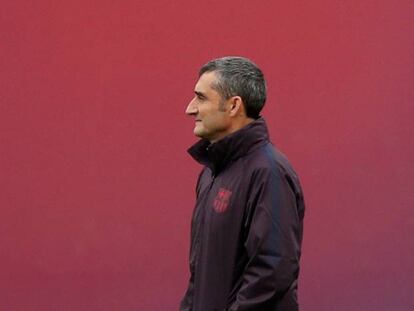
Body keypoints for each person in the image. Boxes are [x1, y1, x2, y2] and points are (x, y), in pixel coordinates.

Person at [180, 56, 305, 311]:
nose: (190, 108)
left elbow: (272, 273)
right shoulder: (211, 174)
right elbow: (199, 275)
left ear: (234, 105)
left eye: (201, 98)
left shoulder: (269, 172)